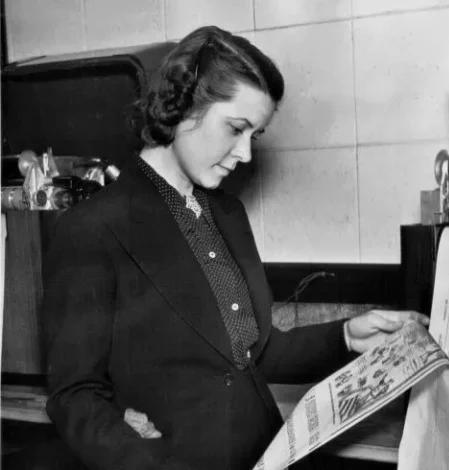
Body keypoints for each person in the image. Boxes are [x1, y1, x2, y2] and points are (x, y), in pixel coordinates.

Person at [40, 25, 428, 470]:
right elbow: (75, 397)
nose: (245, 153)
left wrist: (346, 334)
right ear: (182, 106)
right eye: (236, 128)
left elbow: (253, 352)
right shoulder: (91, 229)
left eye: (254, 136)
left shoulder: (227, 215)